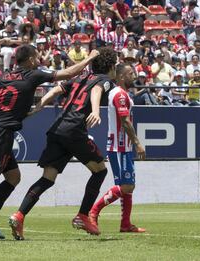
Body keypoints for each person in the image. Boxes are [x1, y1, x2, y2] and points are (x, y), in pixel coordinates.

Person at [0, 44, 101, 241]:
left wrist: (4, 110)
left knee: (13, 177)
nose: (38, 60)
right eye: (36, 56)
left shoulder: (2, 76)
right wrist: (90, 58)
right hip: (1, 133)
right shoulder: (32, 74)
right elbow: (69, 72)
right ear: (29, 60)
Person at [8, 47, 118, 240]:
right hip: (74, 130)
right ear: (110, 66)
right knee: (100, 171)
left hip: (56, 130)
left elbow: (56, 90)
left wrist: (39, 106)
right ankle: (83, 215)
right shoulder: (104, 80)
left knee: (47, 179)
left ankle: (19, 215)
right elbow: (98, 90)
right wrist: (95, 110)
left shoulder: (78, 79)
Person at [89, 63, 146, 233]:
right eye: (130, 73)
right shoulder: (120, 95)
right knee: (127, 186)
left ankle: (125, 224)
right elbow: (125, 121)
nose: (134, 76)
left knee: (127, 186)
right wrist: (137, 143)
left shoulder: (122, 94)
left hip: (122, 147)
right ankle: (93, 211)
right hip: (119, 147)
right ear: (121, 76)